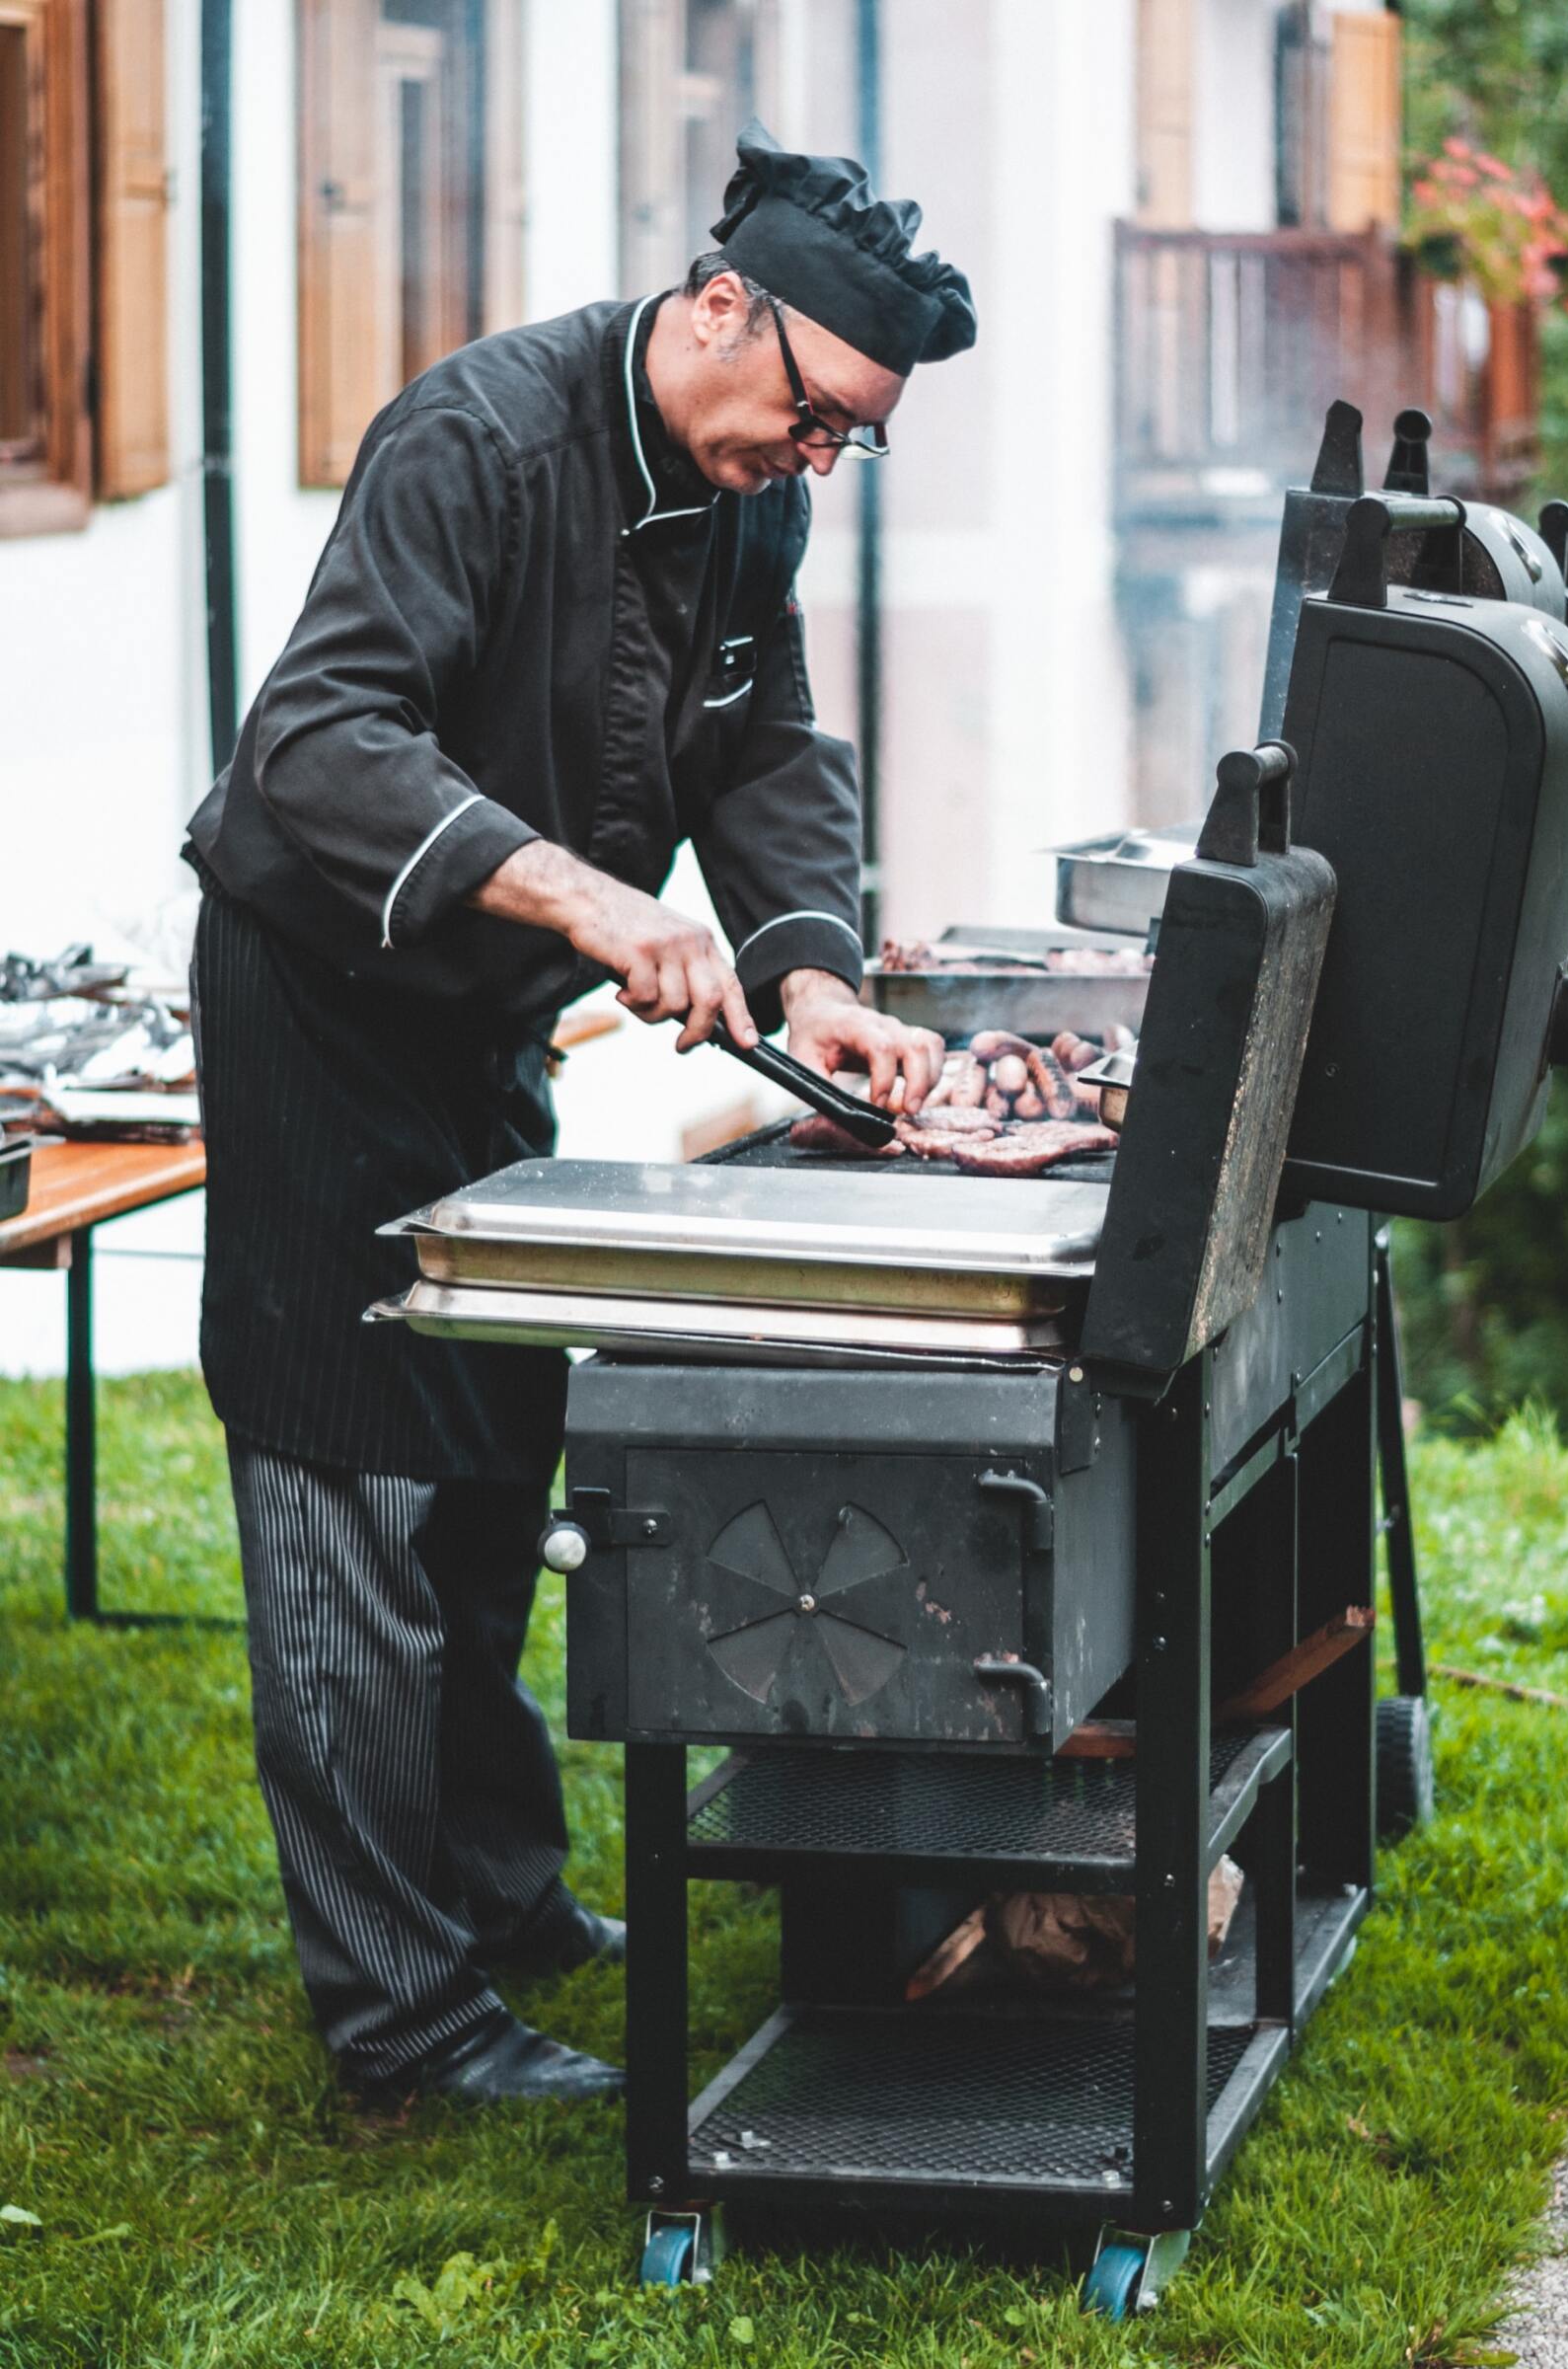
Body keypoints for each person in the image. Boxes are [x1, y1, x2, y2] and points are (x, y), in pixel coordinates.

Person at [182, 123, 974, 2105]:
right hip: (320, 1015)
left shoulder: (746, 501)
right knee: (345, 1493)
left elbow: (763, 743)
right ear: (723, 309)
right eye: (814, 417)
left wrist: (815, 974)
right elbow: (317, 741)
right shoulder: (478, 441)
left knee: (485, 1462)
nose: (814, 464)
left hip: (480, 1036)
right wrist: (594, 899)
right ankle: (403, 2023)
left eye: (848, 445)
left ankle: (501, 1899)